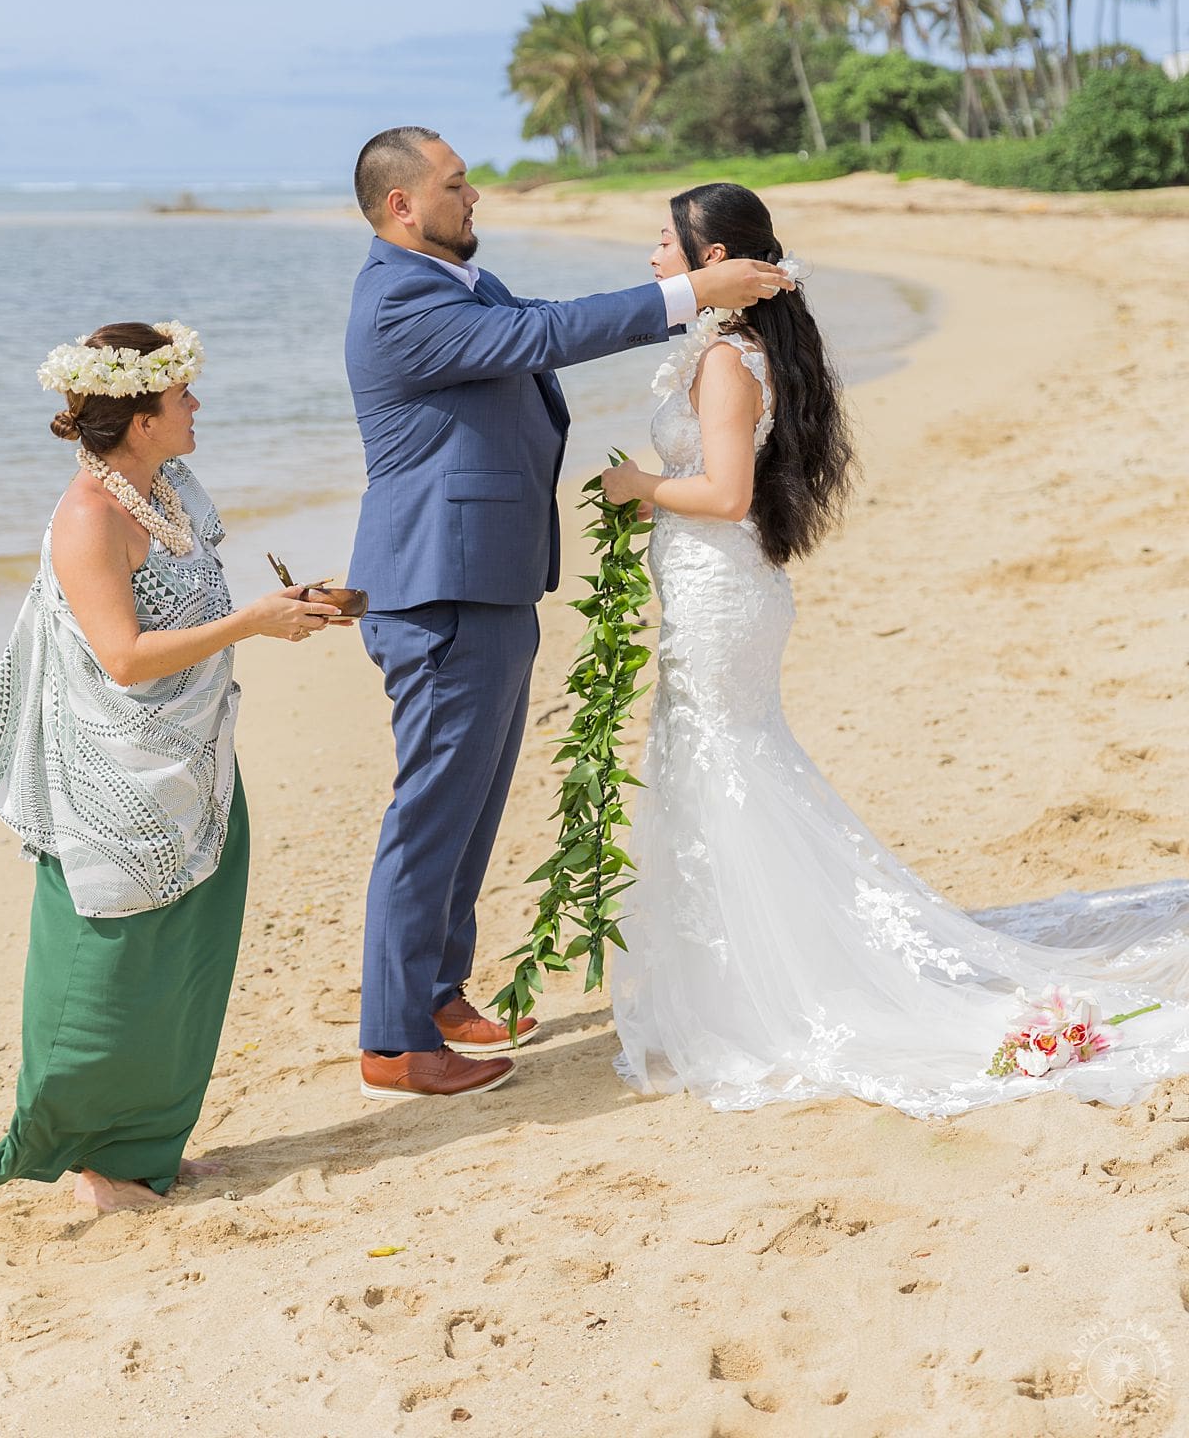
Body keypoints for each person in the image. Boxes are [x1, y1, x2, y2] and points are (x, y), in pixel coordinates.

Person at [603, 182, 1189, 1117]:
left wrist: (637, 485)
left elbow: (723, 495)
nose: (650, 256)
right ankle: (742, 972)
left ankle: (765, 987)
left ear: (712, 260)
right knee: (719, 756)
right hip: (722, 589)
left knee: (720, 758)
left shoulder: (726, 363)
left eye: (661, 241)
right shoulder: (739, 349)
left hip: (721, 586)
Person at [344, 127, 790, 1101]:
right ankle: (391, 1038)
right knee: (431, 813)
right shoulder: (398, 301)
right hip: (437, 584)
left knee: (472, 803)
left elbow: (539, 325)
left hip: (489, 576)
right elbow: (541, 340)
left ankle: (436, 989)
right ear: (402, 207)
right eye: (456, 186)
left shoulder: (465, 283)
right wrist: (691, 297)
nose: (476, 199)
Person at [0, 321, 342, 1211]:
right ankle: (89, 1166)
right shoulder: (87, 517)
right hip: (112, 769)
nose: (197, 407)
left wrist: (289, 606)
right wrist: (253, 624)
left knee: (188, 959)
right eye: (182, 396)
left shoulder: (171, 485)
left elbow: (202, 590)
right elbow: (124, 657)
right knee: (108, 971)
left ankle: (148, 1148)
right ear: (140, 420)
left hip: (195, 752)